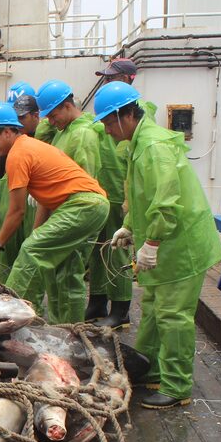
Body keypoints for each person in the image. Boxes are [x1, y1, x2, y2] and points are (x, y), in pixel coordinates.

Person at [94, 82, 221, 409]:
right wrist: (128, 227)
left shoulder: (152, 147)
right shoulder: (137, 144)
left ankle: (177, 386)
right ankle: (149, 369)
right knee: (151, 308)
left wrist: (150, 243)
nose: (108, 131)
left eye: (109, 123)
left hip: (181, 246)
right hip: (166, 242)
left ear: (126, 116)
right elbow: (141, 197)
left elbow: (166, 203)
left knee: (173, 315)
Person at [0, 102, 109, 324]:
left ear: (8, 131)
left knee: (30, 251)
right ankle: (68, 331)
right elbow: (45, 202)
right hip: (92, 206)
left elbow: (17, 211)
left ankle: (11, 318)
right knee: (66, 272)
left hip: (82, 206)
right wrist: (37, 233)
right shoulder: (30, 147)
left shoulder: (18, 154)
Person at [36, 79, 131, 327]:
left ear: (68, 106)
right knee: (98, 254)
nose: (50, 120)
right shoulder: (65, 132)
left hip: (100, 201)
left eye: (53, 114)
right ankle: (98, 303)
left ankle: (120, 310)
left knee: (115, 251)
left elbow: (85, 178)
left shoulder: (83, 133)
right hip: (91, 201)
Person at [0, 94, 40, 283]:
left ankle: (27, 301)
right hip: (10, 203)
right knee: (12, 255)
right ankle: (8, 292)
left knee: (30, 252)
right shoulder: (10, 148)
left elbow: (18, 211)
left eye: (23, 117)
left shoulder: (25, 148)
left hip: (32, 206)